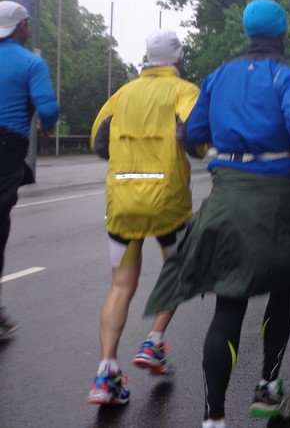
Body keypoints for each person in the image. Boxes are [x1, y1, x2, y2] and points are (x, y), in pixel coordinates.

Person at [143, 0, 290, 428]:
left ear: (247, 33)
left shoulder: (218, 75)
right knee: (283, 289)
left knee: (228, 303)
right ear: (283, 33)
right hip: (277, 197)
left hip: (226, 196)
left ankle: (214, 419)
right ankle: (268, 387)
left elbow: (194, 136)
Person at [87, 29, 203, 405]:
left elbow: (98, 142)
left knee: (120, 286)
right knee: (178, 272)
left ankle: (105, 375)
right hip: (168, 202)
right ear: (178, 59)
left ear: (148, 58)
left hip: (122, 201)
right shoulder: (184, 91)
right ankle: (154, 343)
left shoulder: (121, 95)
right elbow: (197, 139)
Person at [0, 1, 59, 341]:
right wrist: (46, 125)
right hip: (6, 148)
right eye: (27, 23)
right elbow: (48, 108)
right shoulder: (31, 62)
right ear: (20, 27)